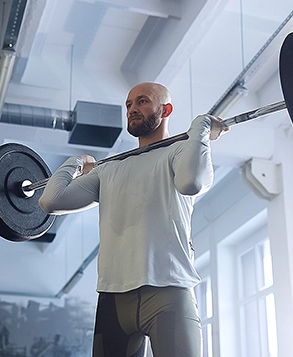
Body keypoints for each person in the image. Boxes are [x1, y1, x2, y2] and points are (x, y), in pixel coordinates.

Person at [39, 82, 229, 357]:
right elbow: (50, 201)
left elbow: (190, 183)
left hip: (168, 291)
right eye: (128, 104)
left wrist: (199, 128)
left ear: (166, 110)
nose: (132, 109)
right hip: (113, 299)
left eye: (142, 102)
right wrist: (77, 162)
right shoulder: (109, 169)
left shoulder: (181, 152)